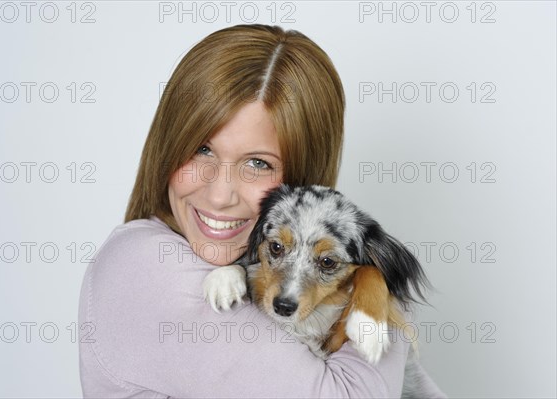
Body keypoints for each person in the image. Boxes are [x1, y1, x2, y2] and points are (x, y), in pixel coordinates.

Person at [78, 24, 446, 398]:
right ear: (169, 143)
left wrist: (374, 285)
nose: (220, 195)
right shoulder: (144, 264)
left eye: (257, 163)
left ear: (299, 178)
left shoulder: (266, 255)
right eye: (201, 149)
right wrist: (376, 301)